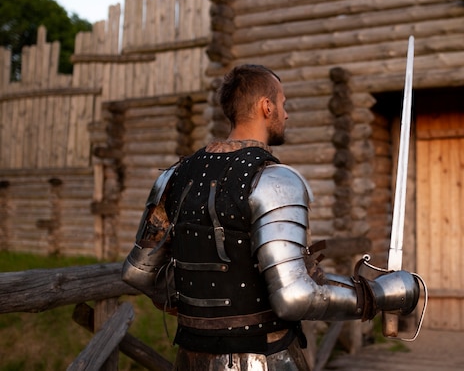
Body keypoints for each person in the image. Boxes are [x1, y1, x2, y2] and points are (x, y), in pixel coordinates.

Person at [122, 64, 421, 371]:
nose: (286, 114)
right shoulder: (274, 181)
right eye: (283, 104)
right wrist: (379, 294)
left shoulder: (174, 176)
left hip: (191, 359)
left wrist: (195, 303)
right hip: (262, 359)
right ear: (266, 107)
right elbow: (294, 296)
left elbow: (138, 273)